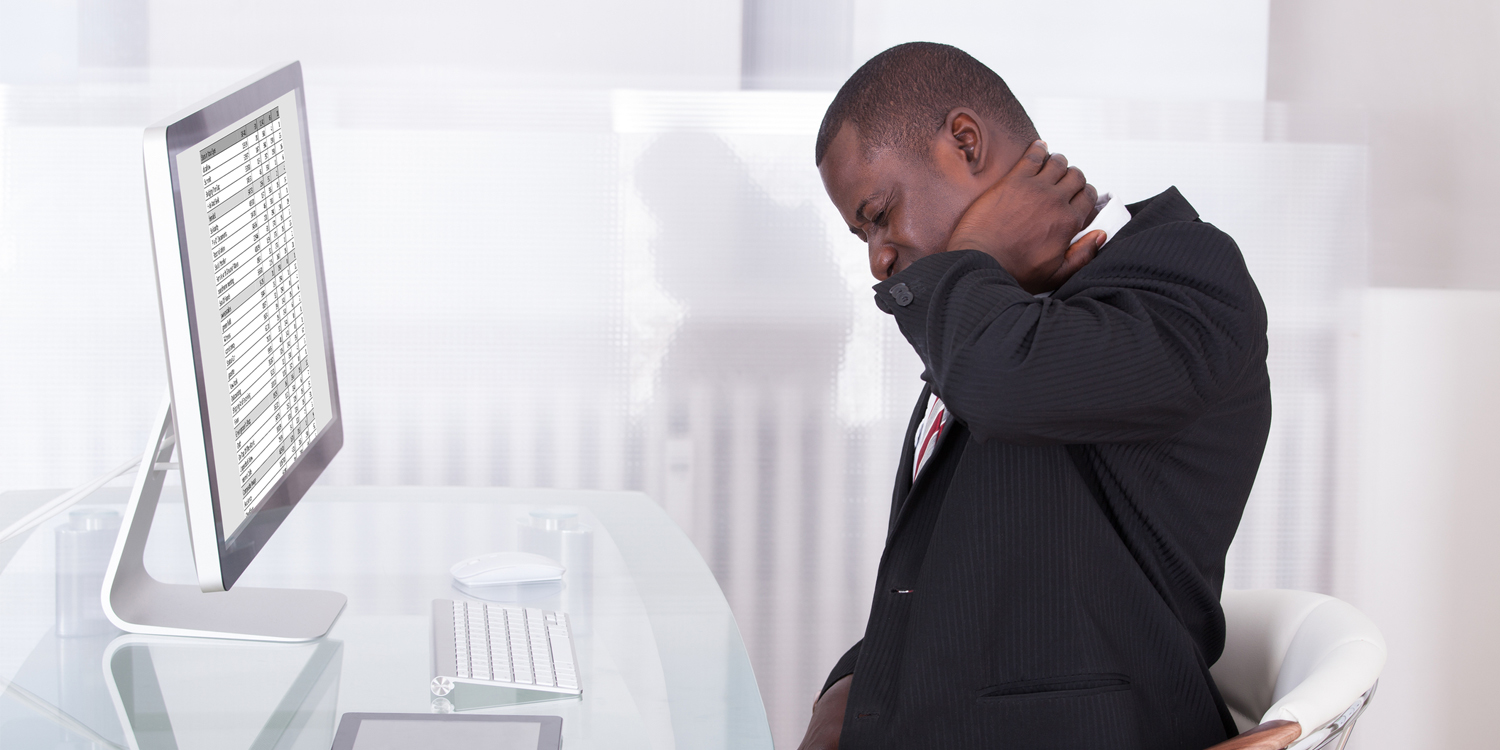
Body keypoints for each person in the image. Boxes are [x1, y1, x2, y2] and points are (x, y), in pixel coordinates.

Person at [798, 43, 1271, 750]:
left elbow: (1002, 384)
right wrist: (850, 687)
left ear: (964, 141)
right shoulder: (998, 321)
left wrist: (975, 254)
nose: (878, 258)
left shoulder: (1182, 272)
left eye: (879, 213)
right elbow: (971, 572)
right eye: (862, 234)